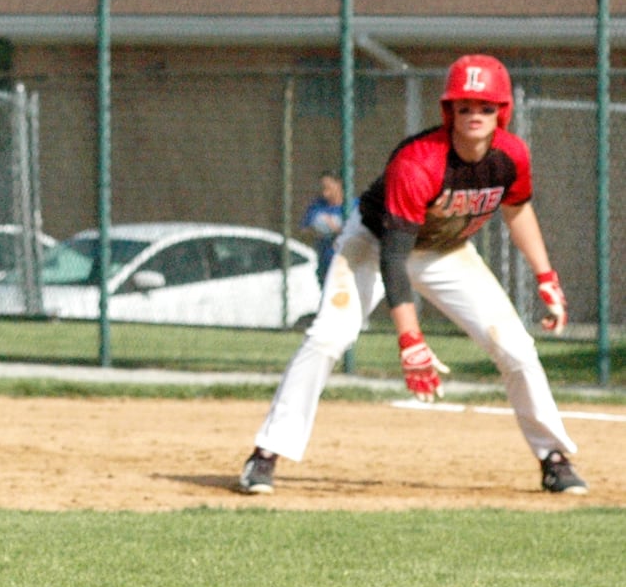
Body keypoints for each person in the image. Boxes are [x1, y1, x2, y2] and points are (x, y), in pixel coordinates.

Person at [237, 55, 585, 497]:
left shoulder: (511, 156)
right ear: (448, 112)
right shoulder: (419, 161)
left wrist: (546, 276)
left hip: (445, 250)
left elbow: (517, 210)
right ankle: (266, 453)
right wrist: (410, 340)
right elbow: (394, 257)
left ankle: (553, 457)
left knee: (515, 346)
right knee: (328, 335)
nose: (475, 115)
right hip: (374, 243)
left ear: (502, 111)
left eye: (485, 105)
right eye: (464, 106)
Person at [300, 171, 344, 286]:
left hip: (346, 268)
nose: (325, 193)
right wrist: (315, 231)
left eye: (328, 188)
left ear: (338, 184)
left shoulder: (353, 205)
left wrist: (336, 229)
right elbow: (304, 232)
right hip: (325, 265)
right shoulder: (316, 207)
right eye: (323, 188)